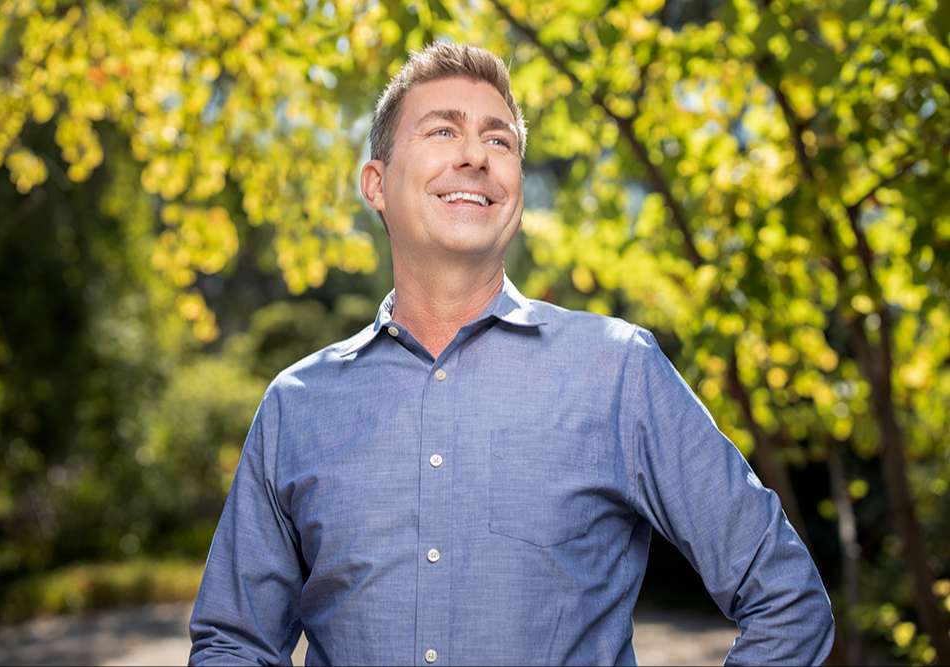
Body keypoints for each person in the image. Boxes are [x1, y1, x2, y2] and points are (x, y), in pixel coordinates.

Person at [189, 42, 834, 666]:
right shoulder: (296, 407)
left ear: (516, 195)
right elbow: (233, 643)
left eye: (499, 141)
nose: (475, 155)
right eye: (442, 131)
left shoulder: (617, 372)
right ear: (376, 184)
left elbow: (787, 600)